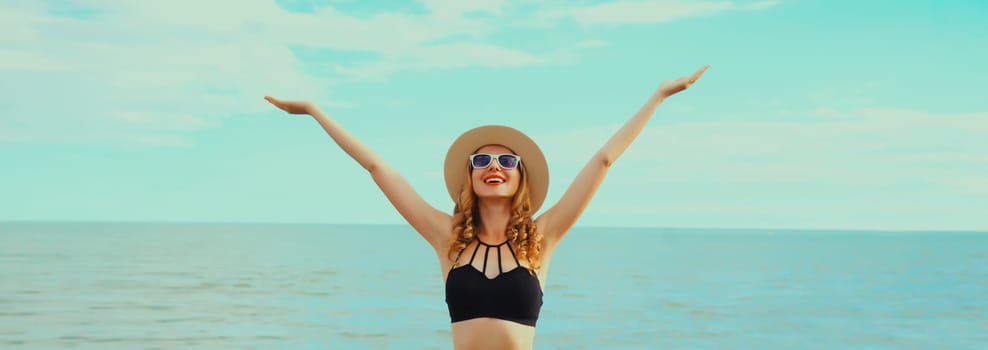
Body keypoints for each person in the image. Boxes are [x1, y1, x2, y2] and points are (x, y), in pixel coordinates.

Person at [264, 65, 708, 350]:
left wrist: (659, 96)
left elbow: (603, 160)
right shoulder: (446, 239)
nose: (493, 166)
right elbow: (378, 168)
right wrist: (315, 111)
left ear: (520, 176)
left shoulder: (543, 238)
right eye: (481, 160)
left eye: (506, 160)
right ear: (470, 178)